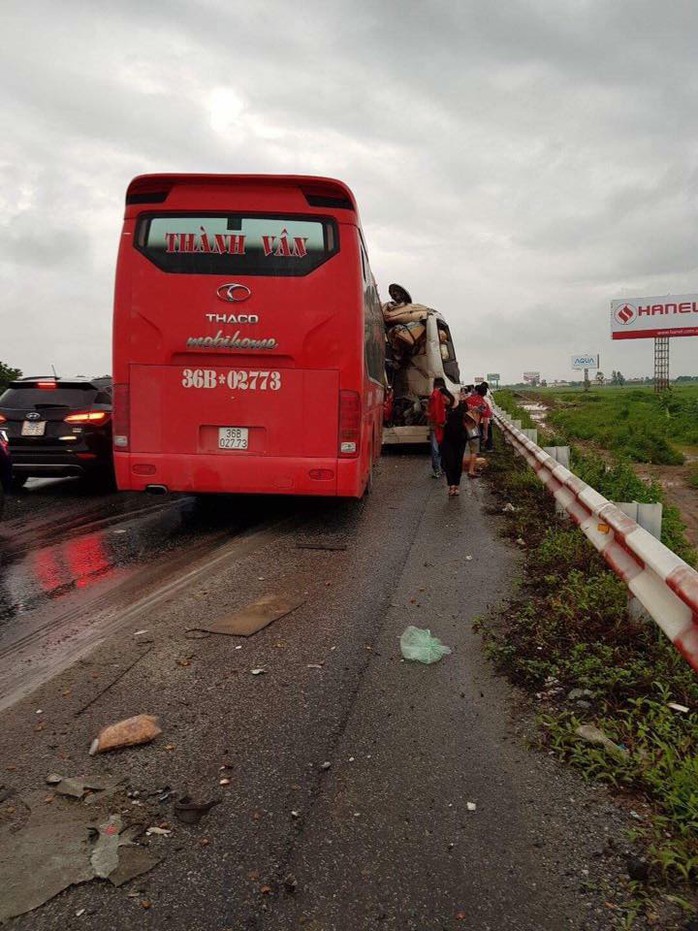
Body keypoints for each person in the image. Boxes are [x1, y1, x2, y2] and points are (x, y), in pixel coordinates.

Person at [438, 387, 468, 497]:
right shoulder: (441, 408)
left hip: (461, 438)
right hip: (447, 439)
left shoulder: (461, 405)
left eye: (445, 398)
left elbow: (468, 417)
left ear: (448, 395)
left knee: (458, 461)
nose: (444, 401)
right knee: (449, 462)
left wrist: (463, 399)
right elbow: (434, 419)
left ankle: (457, 485)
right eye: (442, 400)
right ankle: (451, 486)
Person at [463, 384, 491, 478]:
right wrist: (486, 434)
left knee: (459, 449)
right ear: (485, 393)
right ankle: (471, 471)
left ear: (476, 391)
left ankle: (453, 468)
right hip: (473, 428)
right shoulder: (484, 404)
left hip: (461, 427)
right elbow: (486, 421)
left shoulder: (467, 399)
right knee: (474, 451)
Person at [427, 377, 446, 478]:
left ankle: (437, 470)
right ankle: (443, 468)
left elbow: (432, 411)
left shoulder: (433, 395)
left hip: (435, 424)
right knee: (443, 446)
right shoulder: (446, 394)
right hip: (444, 425)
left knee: (435, 448)